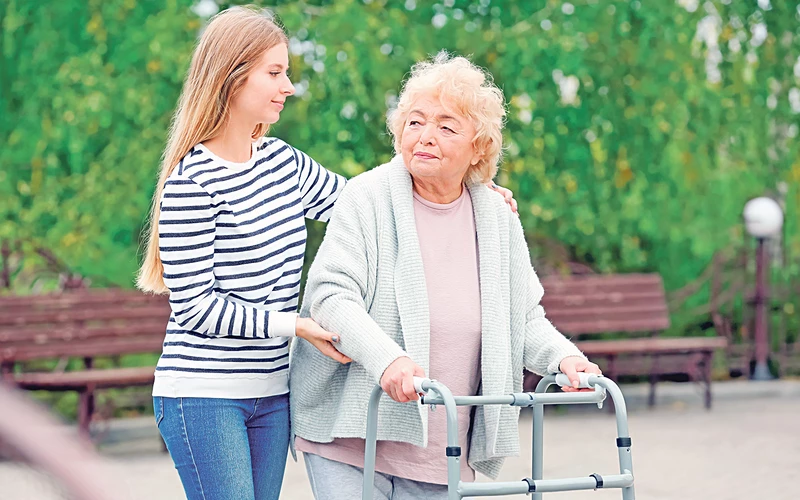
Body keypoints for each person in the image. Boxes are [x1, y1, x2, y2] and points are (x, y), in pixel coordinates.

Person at [137, 8, 516, 500]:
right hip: (203, 395)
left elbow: (376, 202)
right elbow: (196, 308)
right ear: (232, 79)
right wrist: (295, 324)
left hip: (272, 395)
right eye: (274, 73)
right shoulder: (191, 184)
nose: (288, 86)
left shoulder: (282, 163)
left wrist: (474, 188)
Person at [290, 52, 602, 500]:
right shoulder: (366, 197)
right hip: (353, 435)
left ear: (479, 146)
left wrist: (565, 359)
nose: (425, 136)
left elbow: (523, 317)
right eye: (415, 122)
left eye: (446, 126)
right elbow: (332, 295)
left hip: (444, 444)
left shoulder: (496, 215)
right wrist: (389, 360)